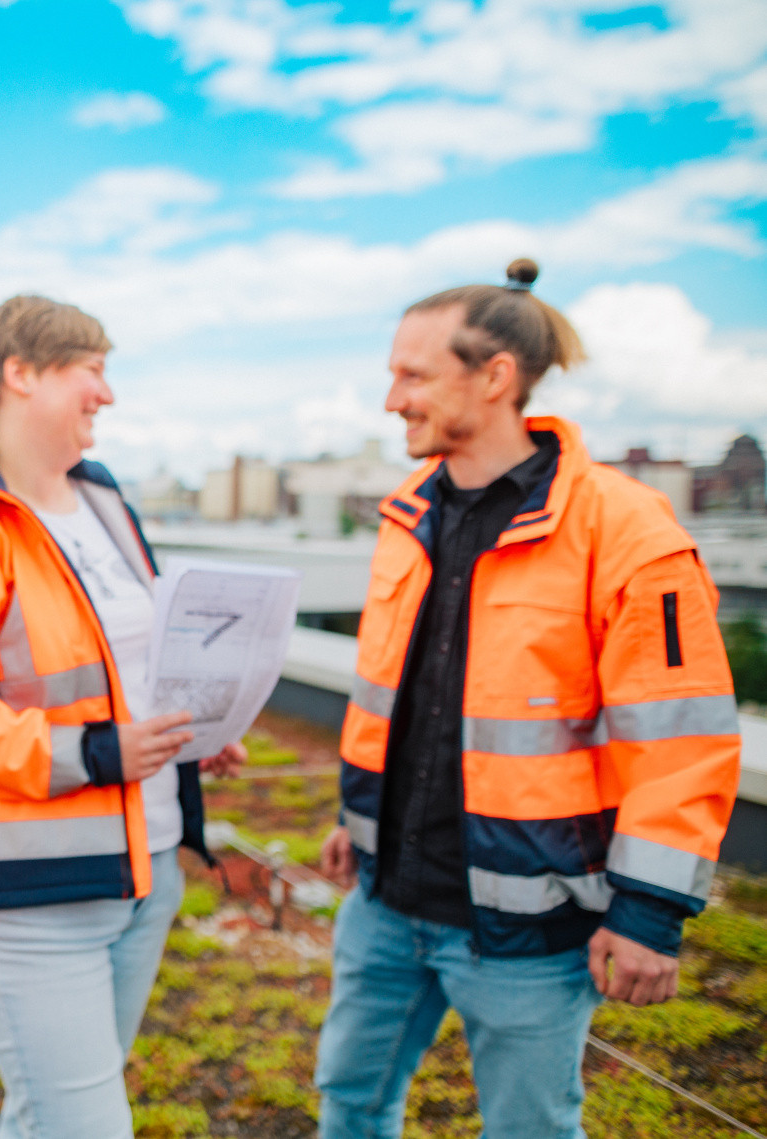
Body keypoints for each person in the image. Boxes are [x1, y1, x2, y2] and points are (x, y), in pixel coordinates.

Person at [314, 259, 741, 1138]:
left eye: (414, 374)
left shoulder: (626, 531)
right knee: (350, 1106)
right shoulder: (406, 516)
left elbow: (680, 742)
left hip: (528, 931)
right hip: (386, 903)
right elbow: (404, 703)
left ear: (496, 376)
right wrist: (362, 820)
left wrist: (649, 915)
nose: (392, 397)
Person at [0, 294, 245, 1139]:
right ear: (22, 374)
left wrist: (190, 734)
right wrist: (103, 753)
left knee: (50, 1116)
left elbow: (124, 666)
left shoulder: (104, 505)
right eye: (92, 370)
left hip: (144, 875)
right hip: (31, 900)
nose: (106, 394)